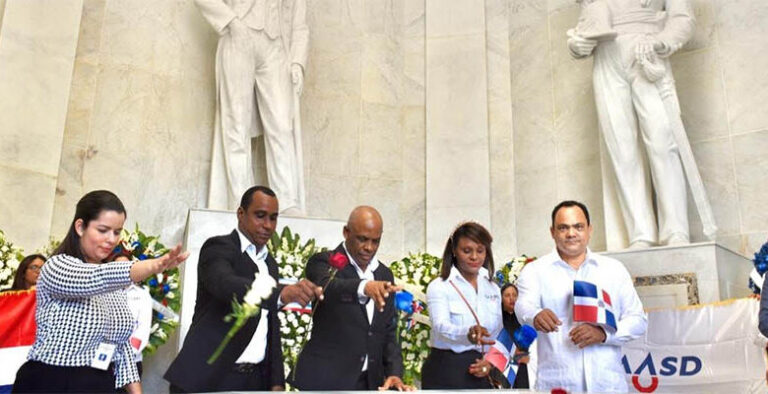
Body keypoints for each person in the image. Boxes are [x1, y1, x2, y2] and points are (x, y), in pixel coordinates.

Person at [12, 190, 188, 393]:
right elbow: (94, 278)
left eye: (117, 232)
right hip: (51, 381)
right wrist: (152, 265)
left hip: (99, 382)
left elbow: (122, 348)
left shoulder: (114, 285)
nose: (111, 239)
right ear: (80, 227)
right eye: (103, 230)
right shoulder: (57, 266)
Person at [164, 185, 321, 392]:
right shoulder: (218, 248)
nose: (267, 225)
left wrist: (276, 382)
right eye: (260, 216)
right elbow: (225, 284)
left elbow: (270, 325)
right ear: (240, 213)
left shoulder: (270, 264)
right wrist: (280, 293)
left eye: (273, 218)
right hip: (210, 378)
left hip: (254, 380)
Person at [567, 0, 697, 248]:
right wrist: (577, 45)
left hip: (647, 49)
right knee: (621, 149)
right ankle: (641, 232)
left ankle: (676, 230)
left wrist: (662, 41)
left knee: (663, 142)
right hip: (606, 55)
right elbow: (587, 22)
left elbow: (683, 17)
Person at [515, 200, 647, 392]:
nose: (571, 233)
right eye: (563, 228)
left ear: (589, 229)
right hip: (558, 383)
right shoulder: (535, 271)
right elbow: (523, 306)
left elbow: (638, 320)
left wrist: (603, 334)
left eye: (578, 227)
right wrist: (535, 315)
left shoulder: (613, 270)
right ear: (552, 232)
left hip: (607, 385)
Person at [195, 0, 310, 214]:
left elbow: (299, 20)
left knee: (282, 125)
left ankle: (286, 201)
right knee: (236, 124)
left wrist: (297, 61)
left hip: (277, 45)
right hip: (239, 34)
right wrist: (231, 22)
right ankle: (242, 200)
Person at [292, 206, 412, 391]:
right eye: (362, 239)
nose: (369, 247)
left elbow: (388, 330)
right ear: (346, 232)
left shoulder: (384, 274)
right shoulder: (322, 262)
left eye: (375, 241)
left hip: (370, 383)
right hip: (326, 382)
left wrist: (394, 373)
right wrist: (364, 287)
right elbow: (328, 287)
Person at [421, 222, 501, 389]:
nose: (474, 257)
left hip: (483, 369)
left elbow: (500, 333)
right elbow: (440, 327)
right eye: (467, 251)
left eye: (480, 251)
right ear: (454, 251)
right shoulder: (440, 286)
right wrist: (468, 333)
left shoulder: (493, 288)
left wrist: (492, 362)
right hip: (447, 369)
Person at [500, 283, 530, 389]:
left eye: (514, 295)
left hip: (522, 368)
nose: (512, 298)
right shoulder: (498, 321)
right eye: (507, 295)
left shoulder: (524, 320)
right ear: (501, 299)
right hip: (502, 368)